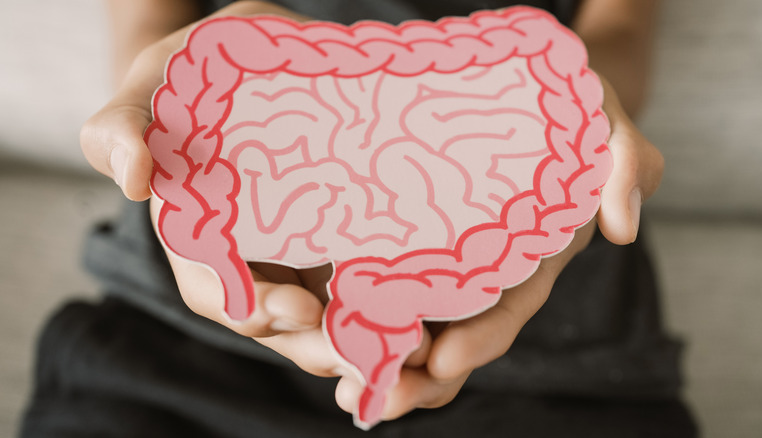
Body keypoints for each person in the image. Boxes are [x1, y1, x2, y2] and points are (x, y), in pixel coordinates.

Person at [21, 1, 698, 436]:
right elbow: (148, 33)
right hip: (182, 338)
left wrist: (578, 103)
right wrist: (165, 80)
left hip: (559, 358)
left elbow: (619, 33)